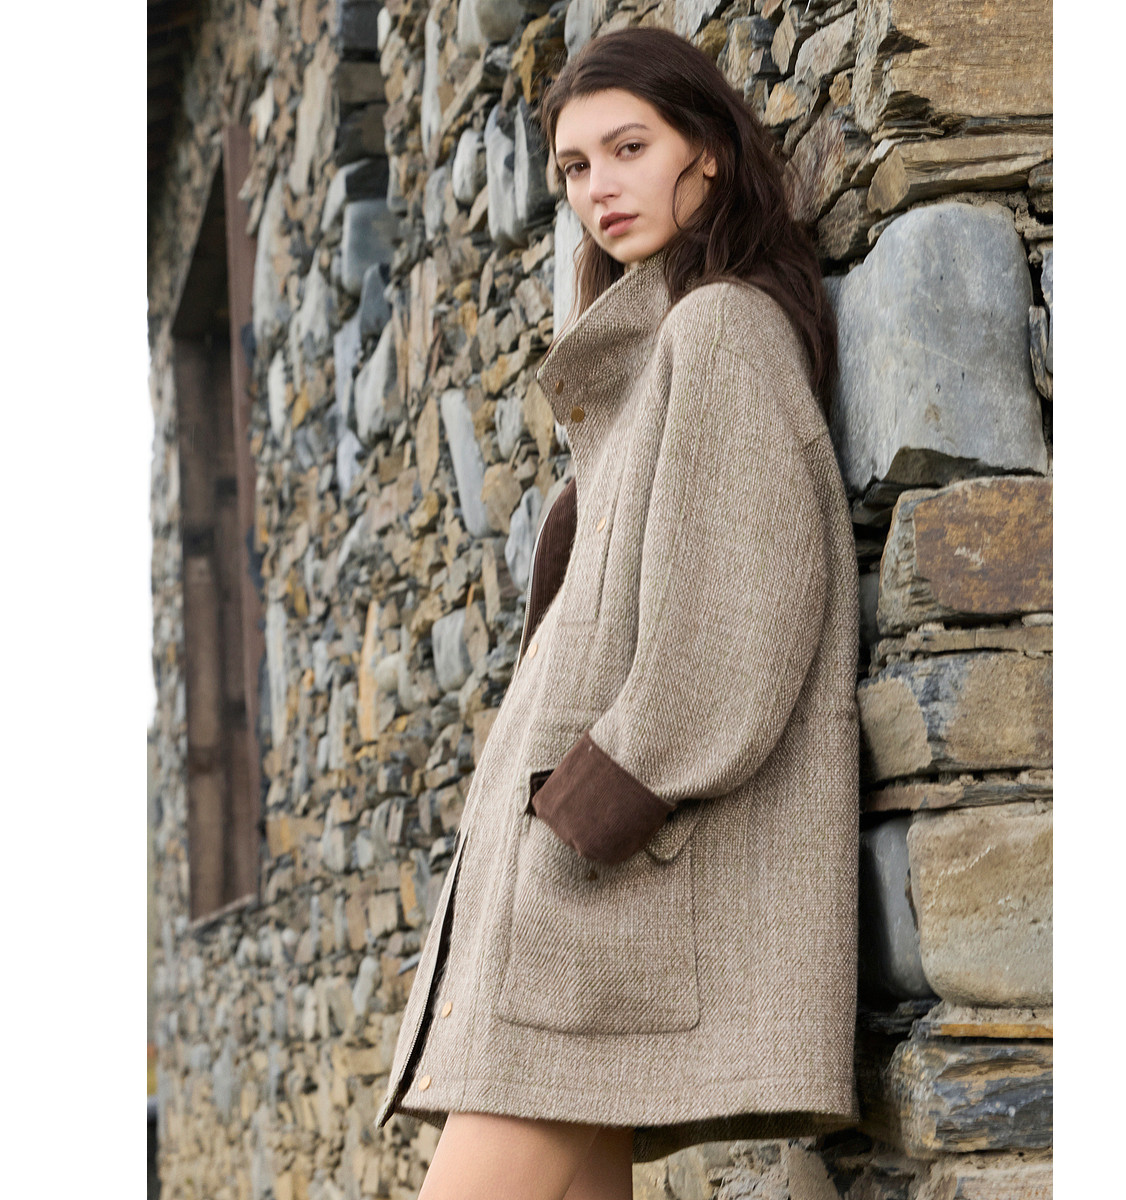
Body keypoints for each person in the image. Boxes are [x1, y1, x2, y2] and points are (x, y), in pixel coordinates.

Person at [373, 26, 860, 1200]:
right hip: (590, 885)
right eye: (576, 166)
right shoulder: (651, 357)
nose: (600, 187)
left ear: (708, 150)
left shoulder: (720, 330)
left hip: (605, 879)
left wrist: (591, 806)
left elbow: (735, 625)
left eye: (629, 148)